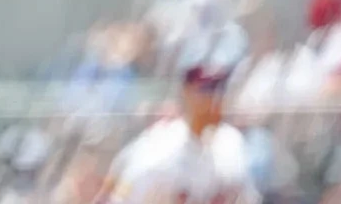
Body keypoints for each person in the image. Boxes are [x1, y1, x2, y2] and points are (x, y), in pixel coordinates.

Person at [92, 20, 259, 204]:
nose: (215, 98)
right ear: (185, 91)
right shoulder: (154, 149)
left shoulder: (233, 145)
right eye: (207, 87)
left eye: (221, 86)